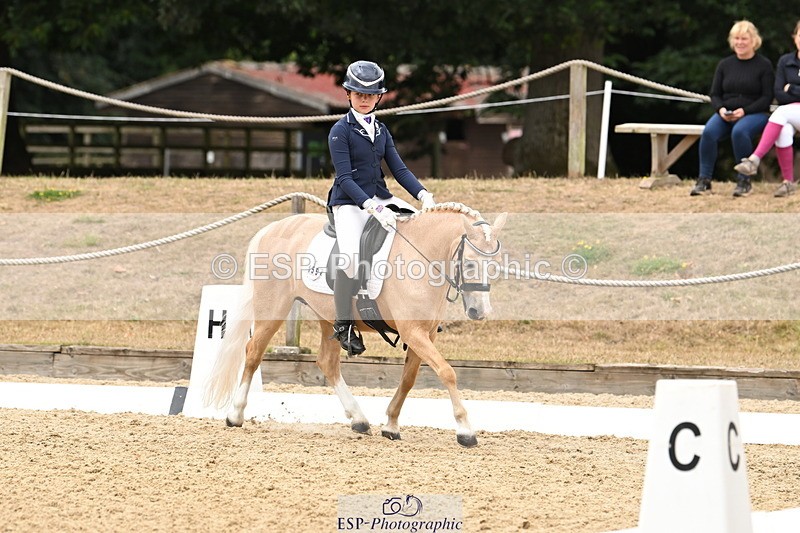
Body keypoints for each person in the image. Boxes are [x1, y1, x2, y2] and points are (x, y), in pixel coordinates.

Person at [326, 60, 436, 355]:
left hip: (380, 196)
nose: (364, 100)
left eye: (370, 95)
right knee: (349, 257)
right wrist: (371, 207)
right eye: (358, 94)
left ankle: (419, 307)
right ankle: (344, 324)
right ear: (348, 94)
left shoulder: (381, 131)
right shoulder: (340, 131)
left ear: (378, 97)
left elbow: (399, 170)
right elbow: (345, 178)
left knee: (420, 231)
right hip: (349, 202)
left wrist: (423, 194)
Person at [691, 20, 774, 197]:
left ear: (754, 40)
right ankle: (704, 180)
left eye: (744, 38)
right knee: (708, 133)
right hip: (726, 113)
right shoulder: (724, 64)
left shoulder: (764, 65)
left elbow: (767, 98)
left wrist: (744, 111)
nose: (740, 42)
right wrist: (721, 109)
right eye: (736, 38)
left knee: (739, 132)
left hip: (755, 113)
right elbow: (714, 94)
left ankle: (744, 181)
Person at [734, 19, 800, 197]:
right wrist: (791, 93)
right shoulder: (786, 61)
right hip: (791, 115)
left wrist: (792, 88)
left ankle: (754, 159)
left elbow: (786, 93)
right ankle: (788, 182)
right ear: (795, 38)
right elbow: (779, 94)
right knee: (783, 130)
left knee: (781, 111)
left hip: (788, 111)